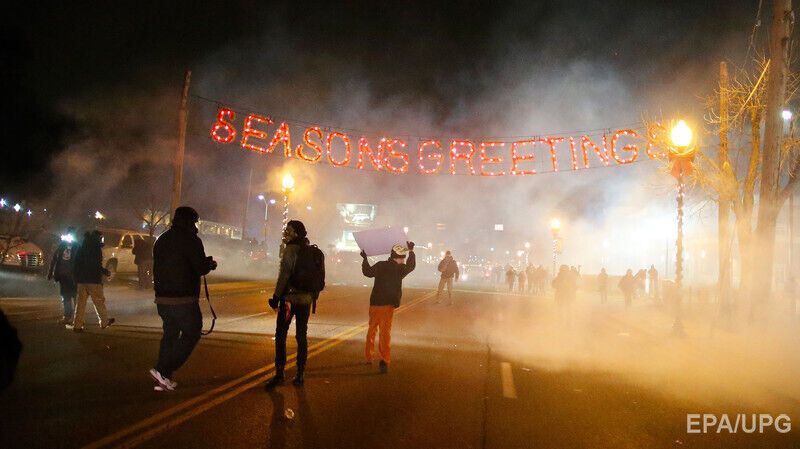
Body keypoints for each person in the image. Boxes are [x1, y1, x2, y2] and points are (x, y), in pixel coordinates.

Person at [149, 207, 217, 391]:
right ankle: (163, 369)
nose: (196, 226)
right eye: (194, 222)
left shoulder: (162, 239)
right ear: (189, 222)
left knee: (170, 335)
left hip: (162, 298)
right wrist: (209, 264)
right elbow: (199, 267)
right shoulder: (191, 240)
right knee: (192, 333)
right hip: (183, 299)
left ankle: (163, 379)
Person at [264, 220, 322, 389]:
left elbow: (284, 275)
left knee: (281, 334)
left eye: (289, 231)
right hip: (305, 300)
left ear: (296, 233)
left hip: (289, 300)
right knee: (301, 336)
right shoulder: (313, 251)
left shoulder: (290, 250)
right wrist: (311, 296)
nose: (286, 234)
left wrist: (276, 297)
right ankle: (300, 374)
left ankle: (279, 373)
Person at [360, 241, 416, 373]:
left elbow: (367, 272)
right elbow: (411, 266)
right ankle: (384, 360)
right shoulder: (400, 269)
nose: (403, 261)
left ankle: (368, 356)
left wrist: (365, 259)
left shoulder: (380, 265)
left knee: (371, 330)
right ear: (398, 258)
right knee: (385, 334)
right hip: (387, 306)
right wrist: (411, 251)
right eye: (403, 258)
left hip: (375, 304)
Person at [68, 230, 115, 332]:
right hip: (93, 280)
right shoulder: (96, 249)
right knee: (99, 301)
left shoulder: (81, 247)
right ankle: (104, 321)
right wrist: (105, 272)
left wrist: (76, 278)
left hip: (81, 280)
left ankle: (77, 325)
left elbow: (75, 264)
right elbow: (96, 265)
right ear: (98, 238)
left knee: (80, 304)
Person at [47, 227, 78, 324]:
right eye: (68, 234)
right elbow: (54, 260)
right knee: (65, 297)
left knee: (75, 296)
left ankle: (77, 318)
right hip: (63, 276)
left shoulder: (77, 247)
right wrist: (50, 272)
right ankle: (67, 316)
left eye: (71, 234)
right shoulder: (62, 246)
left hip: (73, 277)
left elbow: (81, 262)